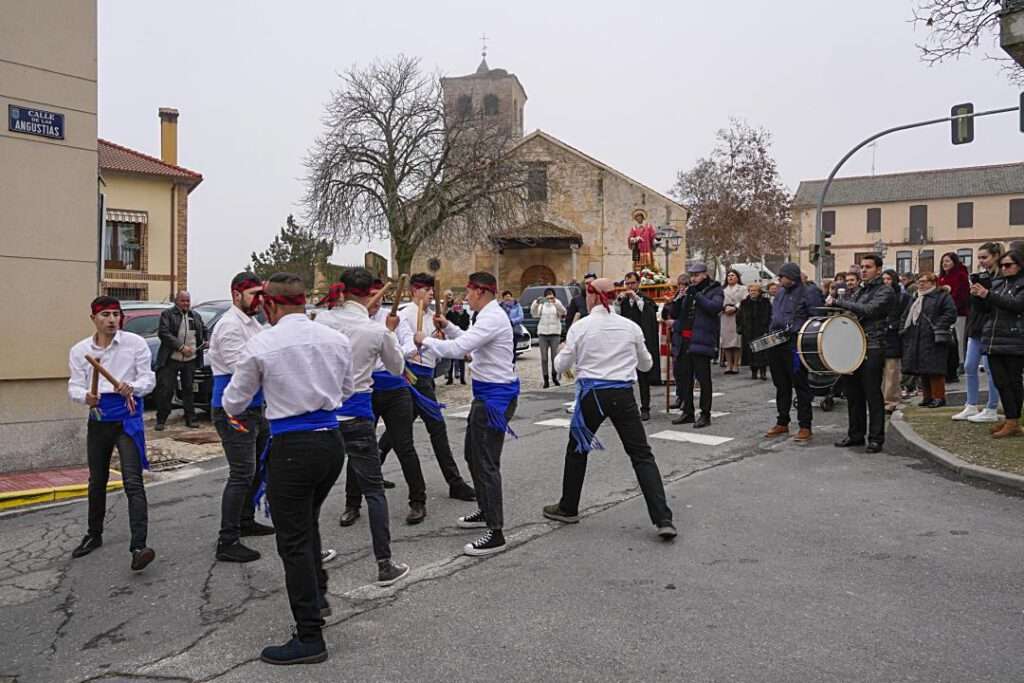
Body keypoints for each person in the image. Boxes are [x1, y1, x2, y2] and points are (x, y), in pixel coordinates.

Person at [223, 272, 352, 665]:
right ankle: (319, 593)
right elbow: (345, 391)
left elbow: (234, 401)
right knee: (305, 524)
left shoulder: (262, 343)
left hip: (292, 447)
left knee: (292, 540)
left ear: (271, 305)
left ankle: (309, 635)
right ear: (302, 301)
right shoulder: (336, 339)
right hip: (331, 441)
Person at [542, 277, 676, 539]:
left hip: (592, 394)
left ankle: (568, 507)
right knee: (641, 455)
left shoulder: (580, 327)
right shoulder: (630, 327)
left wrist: (562, 352)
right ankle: (663, 518)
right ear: (615, 298)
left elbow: (560, 367)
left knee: (577, 450)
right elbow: (646, 365)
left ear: (590, 297)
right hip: (622, 393)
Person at [314, 269, 411, 586]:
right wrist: (390, 332)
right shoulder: (375, 331)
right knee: (374, 491)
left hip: (323, 416)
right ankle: (384, 564)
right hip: (357, 414)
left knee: (312, 491)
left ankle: (311, 551)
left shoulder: (321, 322)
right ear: (369, 292)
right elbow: (397, 369)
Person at [415, 272, 519, 557]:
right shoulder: (485, 317)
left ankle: (496, 531)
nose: (465, 297)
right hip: (486, 395)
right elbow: (468, 344)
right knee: (473, 455)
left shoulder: (492, 317)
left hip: (495, 399)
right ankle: (486, 512)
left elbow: (460, 349)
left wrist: (425, 341)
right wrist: (447, 326)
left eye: (470, 292)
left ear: (482, 292)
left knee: (485, 462)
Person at [68, 297, 157, 570]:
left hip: (127, 418)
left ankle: (139, 547)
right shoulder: (80, 350)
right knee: (97, 480)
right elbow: (73, 386)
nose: (111, 319)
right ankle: (94, 534)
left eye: (116, 314)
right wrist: (86, 397)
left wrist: (133, 386)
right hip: (99, 417)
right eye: (105, 314)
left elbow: (149, 379)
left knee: (133, 482)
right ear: (93, 318)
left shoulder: (135, 344)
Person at [379, 272, 476, 503]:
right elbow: (400, 348)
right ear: (414, 291)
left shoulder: (434, 316)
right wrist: (418, 343)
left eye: (432, 289)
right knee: (435, 430)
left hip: (427, 377)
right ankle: (455, 483)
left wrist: (440, 338)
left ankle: (373, 469)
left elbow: (440, 349)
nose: (431, 293)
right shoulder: (403, 316)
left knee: (395, 432)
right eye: (426, 289)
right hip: (412, 378)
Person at [208, 272, 274, 563]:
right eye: (254, 294)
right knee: (241, 473)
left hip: (256, 406)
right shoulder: (230, 326)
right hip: (234, 409)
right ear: (236, 294)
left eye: (262, 294)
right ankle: (227, 539)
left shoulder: (253, 324)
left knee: (258, 467)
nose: (259, 300)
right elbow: (243, 370)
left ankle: (246, 520)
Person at [828, 254, 895, 453]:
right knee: (853, 393)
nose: (864, 270)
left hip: (873, 345)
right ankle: (855, 434)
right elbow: (851, 314)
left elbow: (870, 310)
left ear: (879, 269)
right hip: (854, 346)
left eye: (868, 267)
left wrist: (841, 302)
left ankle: (876, 438)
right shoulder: (859, 290)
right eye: (862, 267)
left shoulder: (885, 291)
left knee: (872, 394)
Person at [764, 263, 822, 441]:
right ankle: (782, 422)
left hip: (795, 344)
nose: (779, 280)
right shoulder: (781, 293)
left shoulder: (808, 292)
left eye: (782, 276)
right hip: (777, 341)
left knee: (801, 385)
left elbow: (816, 318)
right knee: (781, 385)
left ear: (792, 276)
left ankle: (805, 425)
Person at [970, 249, 1024, 438]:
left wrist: (988, 295)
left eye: (1008, 265)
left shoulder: (1021, 284)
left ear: (1019, 264)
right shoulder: (998, 283)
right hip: (994, 338)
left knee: (1013, 382)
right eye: (1002, 265)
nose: (1004, 268)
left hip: (1015, 338)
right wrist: (977, 296)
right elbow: (986, 309)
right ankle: (1011, 419)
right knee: (1000, 382)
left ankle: (1013, 420)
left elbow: (1016, 305)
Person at [663, 263, 724, 429]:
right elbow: (677, 314)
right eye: (692, 275)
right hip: (684, 339)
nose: (693, 278)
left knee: (703, 379)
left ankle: (705, 414)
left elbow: (714, 308)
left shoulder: (715, 289)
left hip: (701, 339)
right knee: (684, 378)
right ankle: (688, 411)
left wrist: (696, 295)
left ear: (705, 275)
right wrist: (677, 300)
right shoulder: (690, 291)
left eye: (696, 275)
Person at [953, 242, 1003, 422]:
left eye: (984, 257)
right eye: (979, 258)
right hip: (976, 326)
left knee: (990, 369)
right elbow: (975, 306)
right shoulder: (981, 277)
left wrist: (984, 294)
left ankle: (991, 407)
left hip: (991, 328)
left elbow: (997, 304)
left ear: (995, 256)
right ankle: (971, 404)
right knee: (969, 365)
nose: (981, 261)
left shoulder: (1001, 278)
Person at [900, 272, 957, 408]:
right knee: (922, 369)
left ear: (933, 283)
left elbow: (950, 313)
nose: (921, 284)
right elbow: (906, 315)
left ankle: (939, 397)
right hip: (917, 337)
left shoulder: (942, 296)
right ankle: (927, 397)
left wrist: (937, 326)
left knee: (935, 369)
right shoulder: (916, 297)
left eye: (924, 281)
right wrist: (903, 330)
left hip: (934, 337)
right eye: (919, 281)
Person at [155, 290, 206, 430]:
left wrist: (206, 341)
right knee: (166, 390)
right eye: (183, 300)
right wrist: (181, 347)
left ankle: (191, 418)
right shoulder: (167, 314)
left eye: (188, 301)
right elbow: (163, 333)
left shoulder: (195, 316)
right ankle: (161, 419)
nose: (186, 303)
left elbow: (203, 330)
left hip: (190, 360)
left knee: (189, 389)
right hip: (172, 358)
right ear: (176, 301)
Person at [618, 272, 661, 420]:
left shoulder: (644, 299)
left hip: (640, 341)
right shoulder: (623, 301)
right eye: (627, 283)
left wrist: (636, 298)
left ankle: (645, 407)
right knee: (625, 376)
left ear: (638, 284)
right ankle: (626, 407)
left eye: (632, 283)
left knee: (643, 376)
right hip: (625, 343)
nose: (629, 286)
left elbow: (648, 313)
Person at [881, 269, 912, 413]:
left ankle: (891, 400)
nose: (886, 281)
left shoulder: (902, 297)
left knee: (892, 370)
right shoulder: (880, 296)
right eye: (884, 279)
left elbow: (906, 315)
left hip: (894, 336)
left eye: (888, 279)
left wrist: (896, 326)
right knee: (884, 372)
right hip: (882, 335)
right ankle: (886, 399)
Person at [939, 252, 970, 383]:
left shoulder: (961, 276)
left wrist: (953, 309)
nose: (945, 264)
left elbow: (963, 296)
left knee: (959, 338)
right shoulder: (941, 278)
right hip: (944, 314)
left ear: (954, 262)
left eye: (948, 261)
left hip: (959, 313)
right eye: (943, 261)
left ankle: (961, 363)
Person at [531, 287, 566, 389]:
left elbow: (563, 312)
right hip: (543, 333)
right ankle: (545, 379)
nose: (549, 297)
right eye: (547, 295)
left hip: (555, 333)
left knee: (554, 357)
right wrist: (536, 303)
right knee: (544, 358)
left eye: (551, 295)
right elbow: (534, 314)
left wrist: (555, 302)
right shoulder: (541, 305)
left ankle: (554, 377)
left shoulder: (557, 303)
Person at [738, 282, 771, 380]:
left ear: (759, 292)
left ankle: (763, 372)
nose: (753, 293)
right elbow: (739, 316)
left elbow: (769, 315)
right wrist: (740, 328)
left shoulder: (765, 302)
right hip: (748, 331)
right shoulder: (744, 303)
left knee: (762, 352)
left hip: (761, 330)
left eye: (755, 291)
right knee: (751, 352)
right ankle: (753, 371)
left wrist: (767, 328)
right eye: (751, 291)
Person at [720, 269, 746, 374]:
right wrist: (724, 308)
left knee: (736, 341)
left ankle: (735, 364)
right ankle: (728, 364)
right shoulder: (722, 290)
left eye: (733, 275)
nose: (730, 277)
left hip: (737, 316)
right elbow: (718, 301)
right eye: (729, 275)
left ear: (737, 277)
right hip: (725, 316)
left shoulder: (743, 288)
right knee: (726, 341)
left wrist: (735, 308)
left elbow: (744, 300)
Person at [444, 292, 470, 385]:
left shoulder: (465, 314)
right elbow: (446, 323)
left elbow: (466, 325)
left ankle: (462, 378)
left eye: (459, 304)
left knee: (461, 359)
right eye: (456, 304)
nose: (458, 306)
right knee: (451, 358)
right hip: (451, 338)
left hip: (461, 337)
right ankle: (449, 378)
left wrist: (460, 319)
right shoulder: (450, 314)